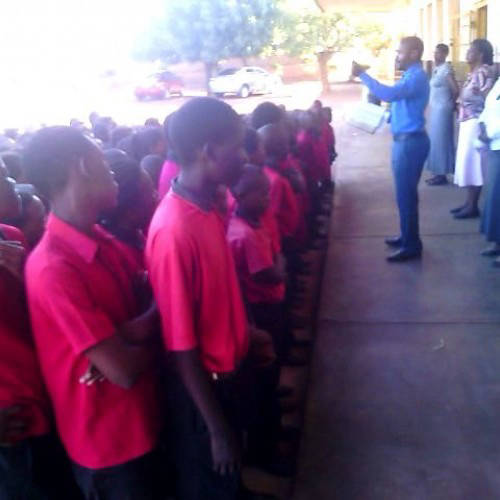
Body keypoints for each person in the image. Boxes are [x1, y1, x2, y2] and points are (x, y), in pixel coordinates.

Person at [23, 127, 163, 500]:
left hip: (145, 419)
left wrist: (124, 336)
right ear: (84, 166)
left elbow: (148, 307)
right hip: (111, 446)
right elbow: (124, 371)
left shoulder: (103, 241)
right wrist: (161, 331)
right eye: (104, 161)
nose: (112, 171)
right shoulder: (54, 268)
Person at [146, 97, 274, 500]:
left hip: (231, 373)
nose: (245, 156)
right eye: (237, 147)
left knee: (231, 474)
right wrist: (216, 430)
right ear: (208, 151)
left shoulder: (207, 208)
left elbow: (219, 292)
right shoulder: (174, 231)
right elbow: (180, 346)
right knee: (212, 476)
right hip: (205, 394)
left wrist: (247, 332)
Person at [1, 161, 80, 500]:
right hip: (11, 421)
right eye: (1, 177)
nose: (10, 182)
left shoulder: (14, 237)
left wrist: (24, 280)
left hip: (48, 394)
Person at [353, 36, 430, 262]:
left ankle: (412, 245)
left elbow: (389, 94)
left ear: (414, 53)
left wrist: (363, 75)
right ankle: (407, 236)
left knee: (406, 195)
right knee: (404, 195)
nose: (397, 56)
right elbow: (400, 105)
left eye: (400, 52)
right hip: (405, 141)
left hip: (410, 143)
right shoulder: (410, 76)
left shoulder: (416, 76)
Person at [452, 39, 495, 218]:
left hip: (476, 123)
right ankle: (469, 203)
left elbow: (489, 100)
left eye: (471, 50)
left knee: (473, 164)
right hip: (467, 121)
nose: (467, 53)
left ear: (480, 54)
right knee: (467, 163)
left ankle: (473, 205)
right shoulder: (473, 72)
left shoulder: (483, 72)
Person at [426, 43, 459, 186]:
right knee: (435, 141)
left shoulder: (446, 69)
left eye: (439, 52)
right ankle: (438, 173)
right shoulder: (437, 69)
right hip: (435, 109)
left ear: (445, 54)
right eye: (435, 52)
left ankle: (441, 174)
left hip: (442, 110)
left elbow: (455, 89)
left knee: (441, 141)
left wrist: (451, 103)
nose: (436, 55)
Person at [478, 76, 500, 262]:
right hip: (494, 146)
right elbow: (488, 107)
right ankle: (496, 242)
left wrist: (490, 134)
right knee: (494, 196)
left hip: (497, 141)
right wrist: (482, 125)